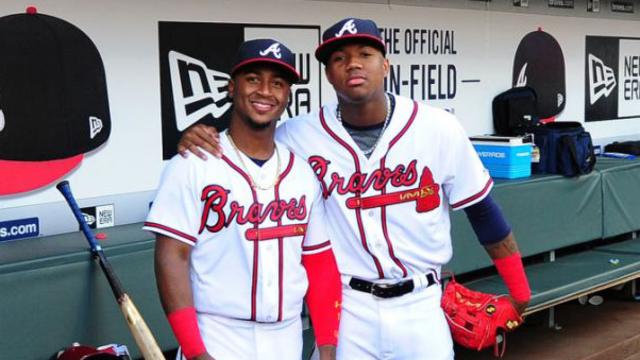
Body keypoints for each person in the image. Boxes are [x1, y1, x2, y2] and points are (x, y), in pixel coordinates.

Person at [178, 18, 531, 360]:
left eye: (365, 53)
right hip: (347, 308)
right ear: (328, 75)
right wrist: (199, 136)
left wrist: (520, 293)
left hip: (421, 304)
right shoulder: (297, 136)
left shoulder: (438, 127)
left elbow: (483, 211)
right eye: (339, 58)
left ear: (386, 65)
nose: (352, 64)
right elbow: (248, 141)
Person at [144, 39, 341, 360]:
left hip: (287, 336)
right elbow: (171, 258)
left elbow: (319, 263)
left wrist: (328, 348)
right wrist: (196, 352)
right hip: (218, 334)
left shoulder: (302, 174)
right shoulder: (192, 163)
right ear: (231, 88)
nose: (265, 91)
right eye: (253, 79)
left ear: (287, 96)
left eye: (277, 83)